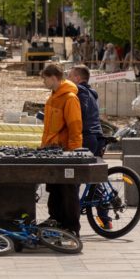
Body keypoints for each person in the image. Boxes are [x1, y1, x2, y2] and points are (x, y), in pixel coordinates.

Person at [39, 64, 83, 236]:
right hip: (52, 151)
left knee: (68, 190)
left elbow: (75, 127)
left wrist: (73, 153)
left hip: (65, 152)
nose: (43, 82)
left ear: (53, 78)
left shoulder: (70, 98)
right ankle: (56, 220)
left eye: (45, 78)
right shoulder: (53, 97)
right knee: (54, 188)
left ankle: (71, 227)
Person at [68, 66, 103, 156]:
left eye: (70, 76)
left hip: (87, 137)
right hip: (98, 136)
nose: (68, 79)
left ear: (77, 78)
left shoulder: (80, 90)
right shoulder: (91, 93)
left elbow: (80, 113)